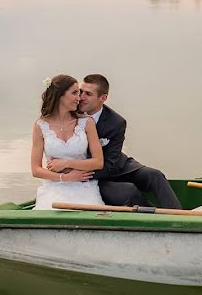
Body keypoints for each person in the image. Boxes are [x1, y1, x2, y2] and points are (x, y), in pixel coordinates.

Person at [75, 73, 182, 209]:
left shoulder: (116, 122)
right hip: (94, 177)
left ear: (103, 98)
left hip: (115, 165)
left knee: (155, 175)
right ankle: (158, 217)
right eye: (80, 92)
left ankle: (180, 217)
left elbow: (111, 164)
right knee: (129, 191)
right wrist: (77, 174)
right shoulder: (70, 114)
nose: (81, 98)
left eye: (88, 94)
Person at [31, 74, 105, 210]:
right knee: (50, 212)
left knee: (90, 213)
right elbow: (35, 170)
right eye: (75, 93)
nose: (79, 98)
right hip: (54, 186)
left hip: (84, 185)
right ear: (60, 95)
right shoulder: (40, 125)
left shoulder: (87, 122)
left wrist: (67, 164)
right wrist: (64, 178)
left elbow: (98, 162)